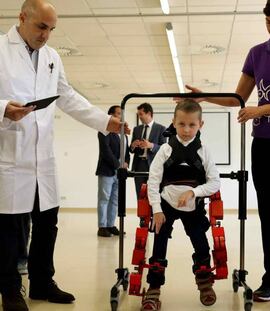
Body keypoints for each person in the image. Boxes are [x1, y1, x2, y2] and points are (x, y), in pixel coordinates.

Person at [184, 0, 270, 309]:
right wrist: (203, 96)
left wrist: (261, 109)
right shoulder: (256, 53)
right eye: (269, 24)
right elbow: (238, 98)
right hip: (266, 145)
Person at [0, 1, 128, 310]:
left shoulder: (52, 57)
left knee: (48, 223)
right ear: (22, 18)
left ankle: (42, 283)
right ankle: (9, 290)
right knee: (9, 231)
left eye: (51, 29)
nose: (46, 36)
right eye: (41, 27)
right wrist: (4, 108)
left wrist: (105, 121)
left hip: (42, 159)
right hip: (9, 158)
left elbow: (67, 96)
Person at [141, 100, 221, 311]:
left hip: (193, 206)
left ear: (200, 125)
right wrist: (156, 210)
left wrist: (193, 192)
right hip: (165, 205)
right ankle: (154, 289)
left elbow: (214, 183)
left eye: (192, 125)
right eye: (182, 124)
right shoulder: (165, 150)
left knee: (201, 244)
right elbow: (153, 181)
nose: (186, 130)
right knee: (159, 244)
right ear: (174, 123)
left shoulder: (204, 151)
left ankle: (205, 284)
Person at [96, 105, 130, 237]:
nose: (120, 117)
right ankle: (102, 226)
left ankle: (111, 225)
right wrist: (118, 165)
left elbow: (126, 151)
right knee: (104, 198)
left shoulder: (123, 133)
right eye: (118, 114)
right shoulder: (104, 131)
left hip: (120, 172)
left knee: (115, 200)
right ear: (110, 116)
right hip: (107, 170)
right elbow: (106, 151)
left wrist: (126, 162)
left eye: (121, 114)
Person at [130, 103, 166, 197]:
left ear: (149, 113)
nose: (139, 117)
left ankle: (153, 212)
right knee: (140, 195)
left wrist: (151, 145)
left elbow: (164, 149)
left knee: (153, 195)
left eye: (141, 114)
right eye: (138, 115)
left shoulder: (161, 129)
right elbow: (131, 149)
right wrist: (133, 145)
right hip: (139, 166)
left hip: (154, 166)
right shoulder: (136, 129)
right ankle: (141, 212)